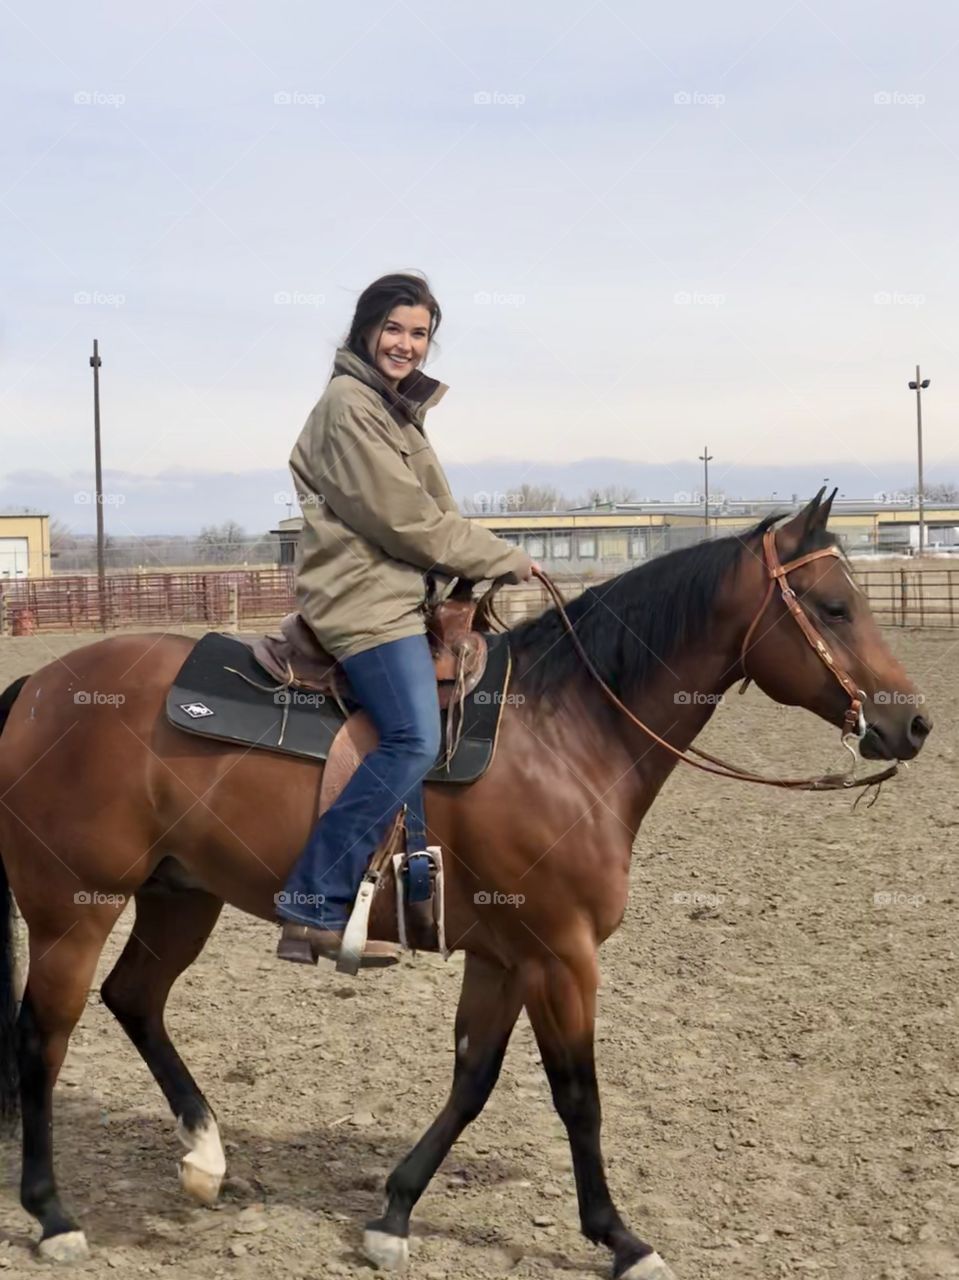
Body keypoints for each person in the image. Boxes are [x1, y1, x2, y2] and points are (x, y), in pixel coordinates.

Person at [276, 272, 538, 967]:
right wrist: (500, 556)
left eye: (418, 333)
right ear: (366, 329)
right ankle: (312, 899)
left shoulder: (392, 408)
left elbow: (433, 516)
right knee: (413, 736)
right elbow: (403, 519)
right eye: (393, 329)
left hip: (400, 592)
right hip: (364, 598)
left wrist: (476, 563)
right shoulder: (349, 405)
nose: (405, 344)